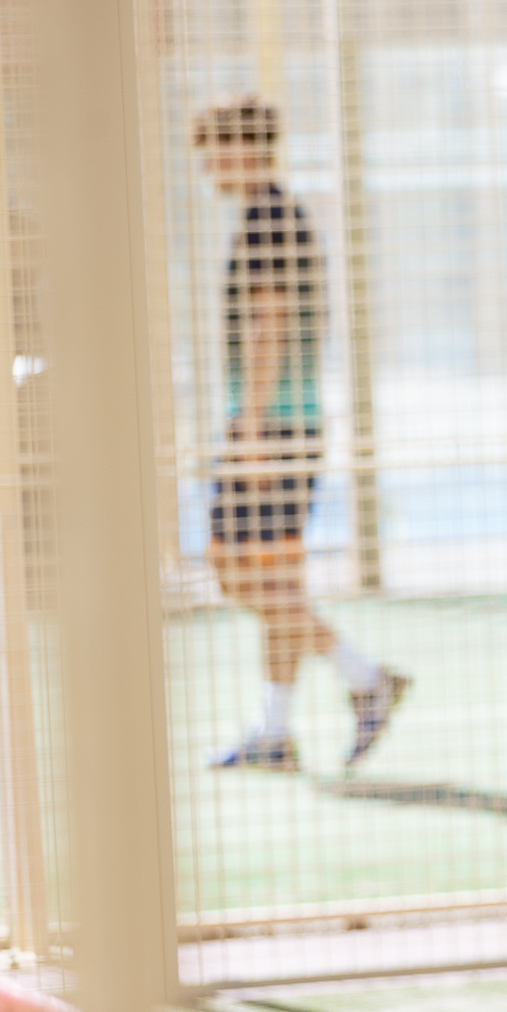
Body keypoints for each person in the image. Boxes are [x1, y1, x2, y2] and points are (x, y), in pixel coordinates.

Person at [191, 94, 408, 772]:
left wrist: (250, 430)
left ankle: (364, 677)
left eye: (210, 152)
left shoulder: (268, 218)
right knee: (275, 582)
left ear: (240, 148)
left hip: (274, 426)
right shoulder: (274, 213)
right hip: (286, 422)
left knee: (232, 572)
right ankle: (274, 731)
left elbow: (270, 321)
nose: (205, 167)